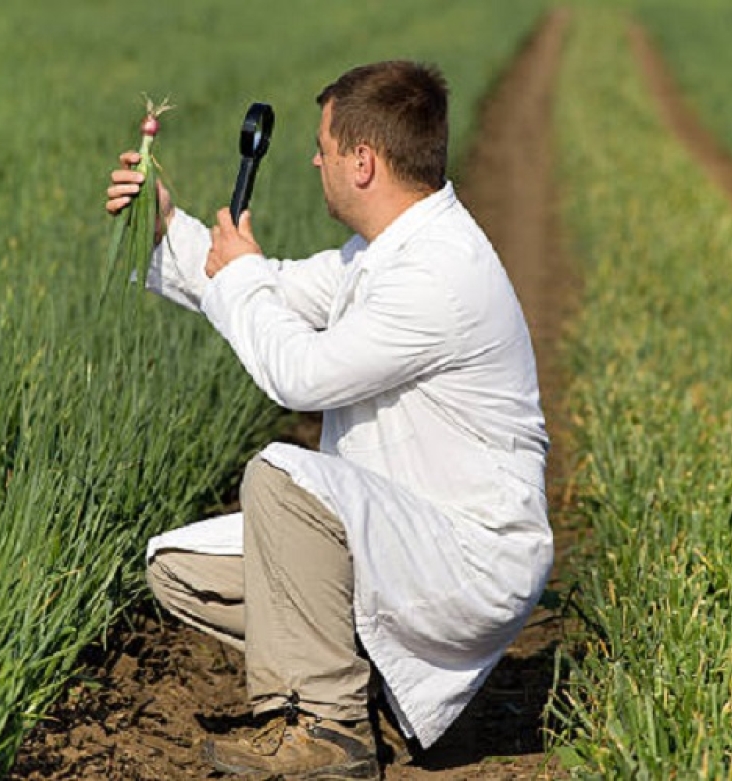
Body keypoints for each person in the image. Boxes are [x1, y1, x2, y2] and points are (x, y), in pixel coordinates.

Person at [105, 60, 552, 780]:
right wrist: (165, 227)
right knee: (180, 568)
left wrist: (243, 277)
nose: (315, 158)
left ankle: (329, 731)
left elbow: (298, 376)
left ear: (363, 161)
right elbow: (267, 288)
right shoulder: (383, 255)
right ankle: (368, 693)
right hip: (403, 541)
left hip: (466, 557)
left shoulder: (439, 275)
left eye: (324, 145)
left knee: (281, 477)